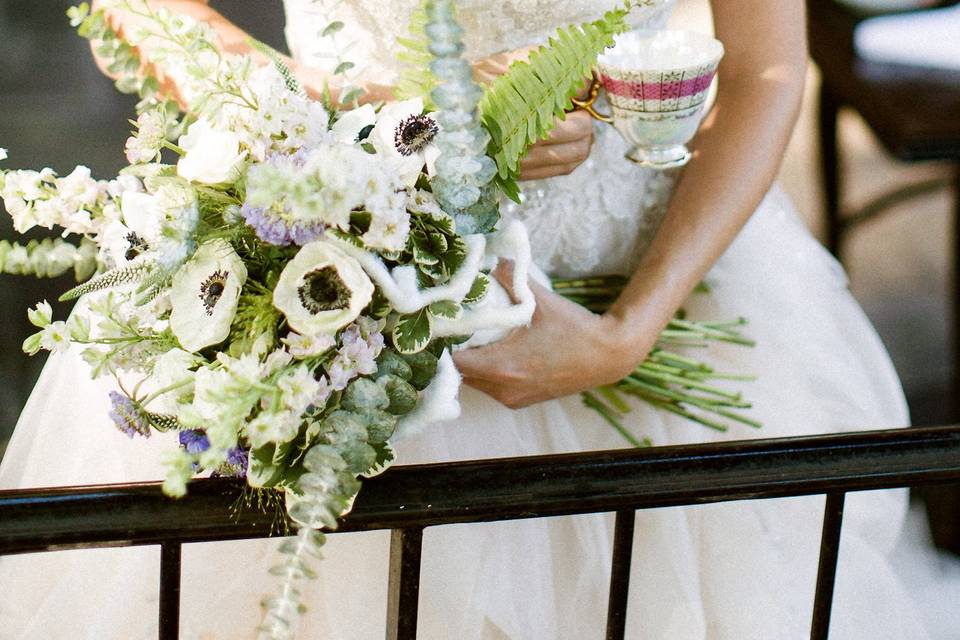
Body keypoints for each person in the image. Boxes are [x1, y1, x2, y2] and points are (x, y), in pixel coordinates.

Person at [0, 0, 941, 638]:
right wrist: (374, 118)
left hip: (660, 286)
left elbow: (772, 68)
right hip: (337, 290)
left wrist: (627, 335)